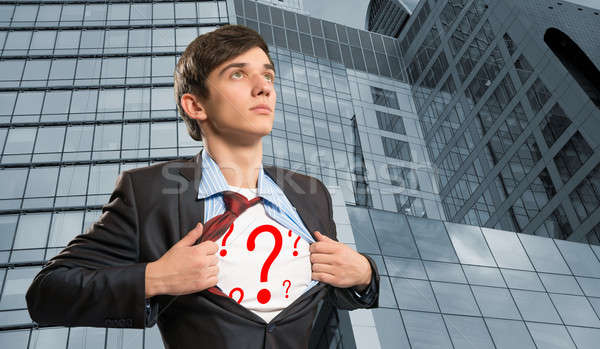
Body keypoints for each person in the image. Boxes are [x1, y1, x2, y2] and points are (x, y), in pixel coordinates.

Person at [26, 25, 379, 348]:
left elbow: (331, 300)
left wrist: (364, 274)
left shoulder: (311, 193)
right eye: (238, 74)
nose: (264, 86)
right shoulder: (147, 192)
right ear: (195, 105)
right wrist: (155, 278)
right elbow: (48, 292)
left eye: (267, 75)